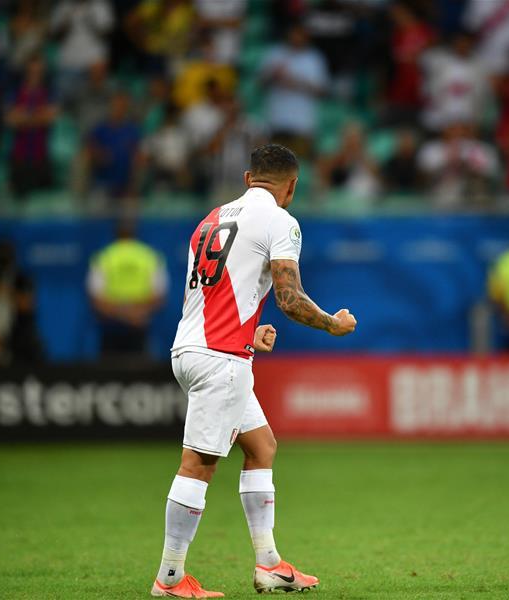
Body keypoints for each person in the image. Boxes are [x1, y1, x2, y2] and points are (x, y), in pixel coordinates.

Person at [150, 144, 356, 597]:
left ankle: (268, 565)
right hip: (220, 358)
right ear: (292, 187)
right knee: (199, 464)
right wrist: (332, 324)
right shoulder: (282, 222)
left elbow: (214, 294)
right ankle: (169, 579)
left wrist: (250, 328)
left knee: (261, 447)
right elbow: (289, 297)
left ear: (248, 179)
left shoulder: (212, 218)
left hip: (195, 347)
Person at [87, 222, 168, 358]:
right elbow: (159, 296)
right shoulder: (149, 256)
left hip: (112, 327)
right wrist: (132, 315)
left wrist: (120, 313)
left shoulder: (104, 256)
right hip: (135, 325)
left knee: (108, 376)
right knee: (141, 376)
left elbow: (96, 298)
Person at [259, 25, 329, 157]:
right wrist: (274, 76)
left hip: (302, 125)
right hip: (275, 121)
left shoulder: (314, 58)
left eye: (300, 35)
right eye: (294, 34)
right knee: (273, 167)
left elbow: (322, 92)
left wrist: (297, 83)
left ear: (306, 37)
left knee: (298, 168)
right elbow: (261, 84)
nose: (296, 38)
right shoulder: (275, 53)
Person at [0, 239, 44, 365]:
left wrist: (6, 292)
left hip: (18, 338)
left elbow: (28, 305)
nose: (2, 263)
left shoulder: (20, 278)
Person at [7, 57, 57, 198]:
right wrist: (38, 115)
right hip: (20, 157)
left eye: (39, 71)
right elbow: (11, 120)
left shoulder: (49, 93)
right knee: (18, 206)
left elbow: (50, 118)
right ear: (26, 72)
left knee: (44, 205)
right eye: (32, 71)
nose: (35, 74)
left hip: (41, 156)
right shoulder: (16, 92)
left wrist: (24, 116)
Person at [87, 91, 142, 199]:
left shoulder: (132, 130)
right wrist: (100, 155)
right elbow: (89, 149)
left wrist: (136, 159)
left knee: (131, 206)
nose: (119, 109)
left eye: (123, 106)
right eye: (116, 105)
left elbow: (138, 153)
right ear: (110, 106)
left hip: (125, 186)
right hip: (102, 184)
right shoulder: (100, 129)